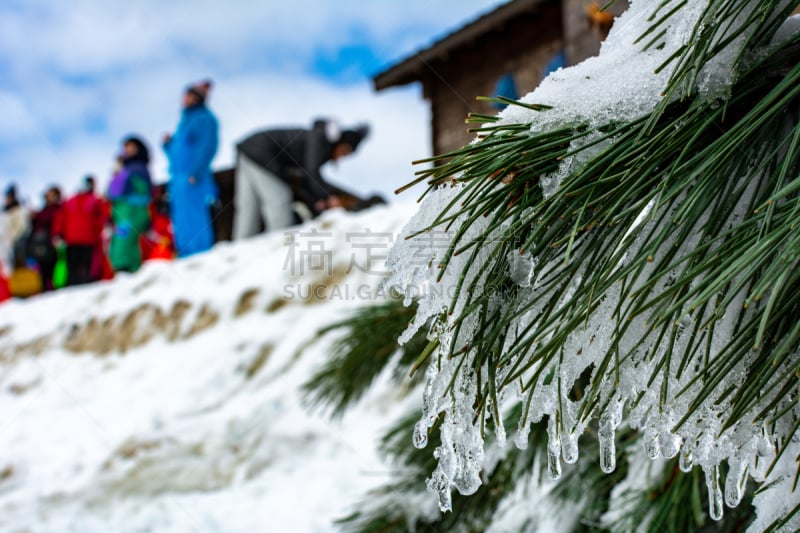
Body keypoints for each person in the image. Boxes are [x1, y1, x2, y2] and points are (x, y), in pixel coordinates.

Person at [232, 118, 369, 240]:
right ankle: (281, 244)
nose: (341, 157)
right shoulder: (319, 139)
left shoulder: (317, 140)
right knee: (279, 198)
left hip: (248, 152)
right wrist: (328, 197)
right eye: (344, 151)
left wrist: (317, 200)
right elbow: (311, 172)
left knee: (249, 207)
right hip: (263, 154)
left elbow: (305, 178)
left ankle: (239, 248)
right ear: (339, 142)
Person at [163, 79, 219, 257]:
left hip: (193, 177)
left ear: (196, 98)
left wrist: (196, 171)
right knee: (181, 220)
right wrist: (168, 145)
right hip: (178, 179)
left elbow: (207, 146)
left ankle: (201, 254)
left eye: (189, 95)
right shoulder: (184, 123)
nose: (185, 99)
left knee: (195, 217)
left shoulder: (204, 119)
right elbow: (178, 153)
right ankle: (186, 256)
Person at [107, 136, 153, 273]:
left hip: (133, 210)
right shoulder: (123, 170)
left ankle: (125, 268)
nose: (127, 150)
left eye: (131, 147)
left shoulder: (138, 168)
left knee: (126, 239)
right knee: (121, 239)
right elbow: (112, 192)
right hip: (122, 211)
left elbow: (144, 191)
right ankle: (126, 269)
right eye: (126, 148)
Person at [53, 176, 106, 286]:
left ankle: (75, 288)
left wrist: (57, 233)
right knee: (84, 267)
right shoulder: (95, 200)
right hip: (86, 240)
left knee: (74, 267)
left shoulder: (70, 200)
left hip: (73, 240)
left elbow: (60, 218)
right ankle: (81, 287)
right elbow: (101, 219)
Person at [27, 186, 62, 291]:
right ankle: (44, 289)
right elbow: (35, 227)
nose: (48, 197)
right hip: (41, 246)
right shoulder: (43, 211)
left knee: (53, 269)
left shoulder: (58, 209)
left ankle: (54, 288)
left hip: (53, 244)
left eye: (50, 195)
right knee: (43, 270)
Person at [4, 184, 30, 269]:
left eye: (9, 197)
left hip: (17, 244)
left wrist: (11, 238)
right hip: (4, 246)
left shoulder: (19, 210)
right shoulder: (4, 212)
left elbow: (22, 227)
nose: (7, 199)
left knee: (18, 265)